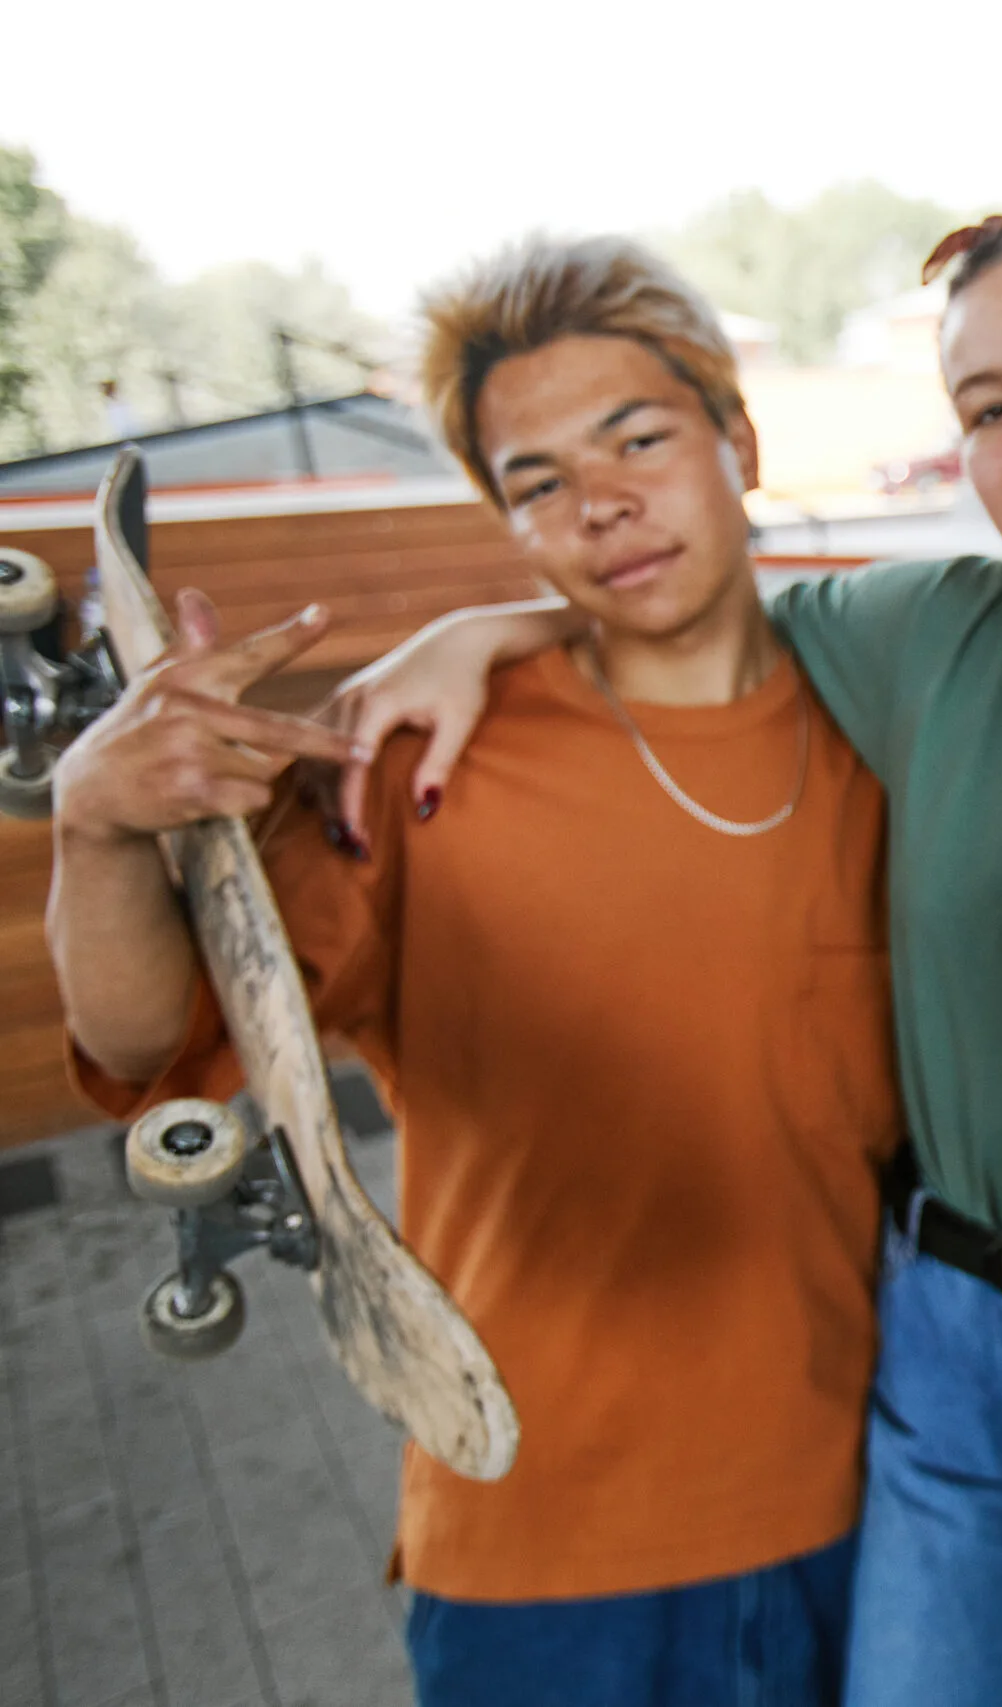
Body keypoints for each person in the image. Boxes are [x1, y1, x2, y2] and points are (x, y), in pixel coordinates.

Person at [325, 212, 1002, 1706]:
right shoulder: (928, 634)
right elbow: (674, 597)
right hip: (951, 1332)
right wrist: (489, 625)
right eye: (985, 408)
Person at [49, 235, 900, 1706]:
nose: (605, 505)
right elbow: (154, 1044)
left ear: (738, 440)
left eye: (640, 438)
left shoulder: (889, 722)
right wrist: (98, 828)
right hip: (540, 1545)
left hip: (870, 1508)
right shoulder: (424, 768)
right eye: (540, 481)